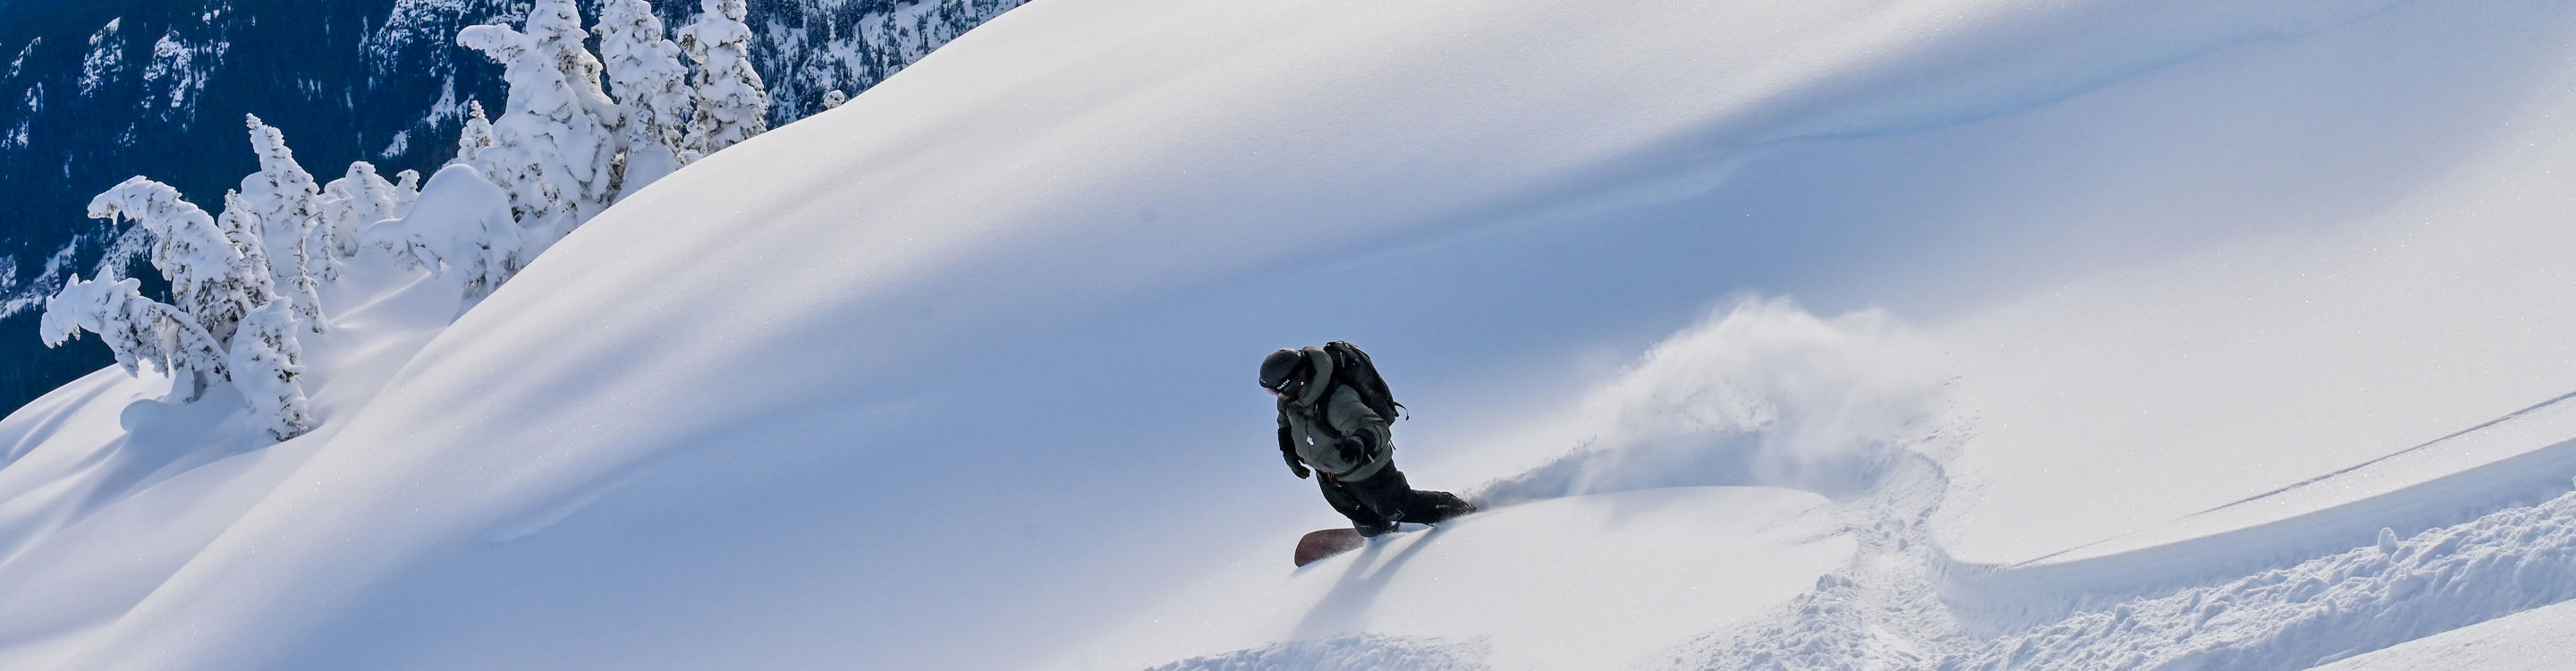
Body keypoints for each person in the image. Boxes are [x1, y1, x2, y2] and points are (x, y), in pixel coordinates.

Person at [1261, 346, 1475, 537]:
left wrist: (1359, 443)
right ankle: (1381, 531)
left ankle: (1459, 510)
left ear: (1294, 382)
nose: (1274, 395)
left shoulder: (1339, 403)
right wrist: (1289, 452)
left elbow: (1376, 427)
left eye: (1274, 390)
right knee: (1367, 523)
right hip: (1331, 477)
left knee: (1399, 508)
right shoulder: (1291, 399)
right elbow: (1285, 423)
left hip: (1367, 470)